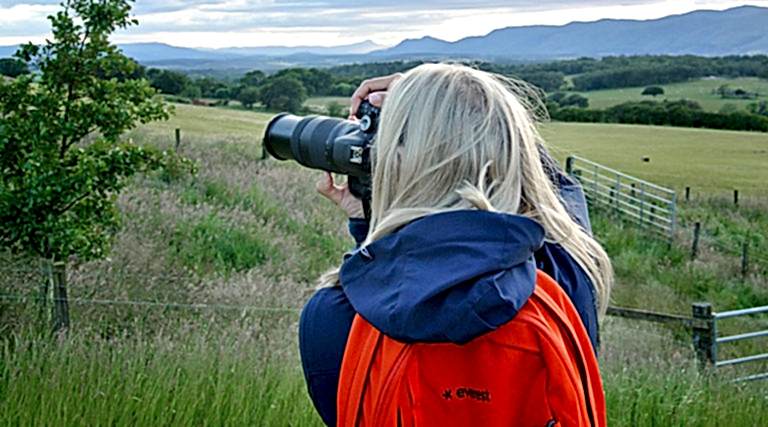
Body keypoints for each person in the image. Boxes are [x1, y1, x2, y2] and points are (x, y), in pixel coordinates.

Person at [300, 64, 613, 426]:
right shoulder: (569, 279)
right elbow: (555, 189)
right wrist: (463, 103)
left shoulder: (333, 316)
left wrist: (370, 223)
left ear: (387, 166)